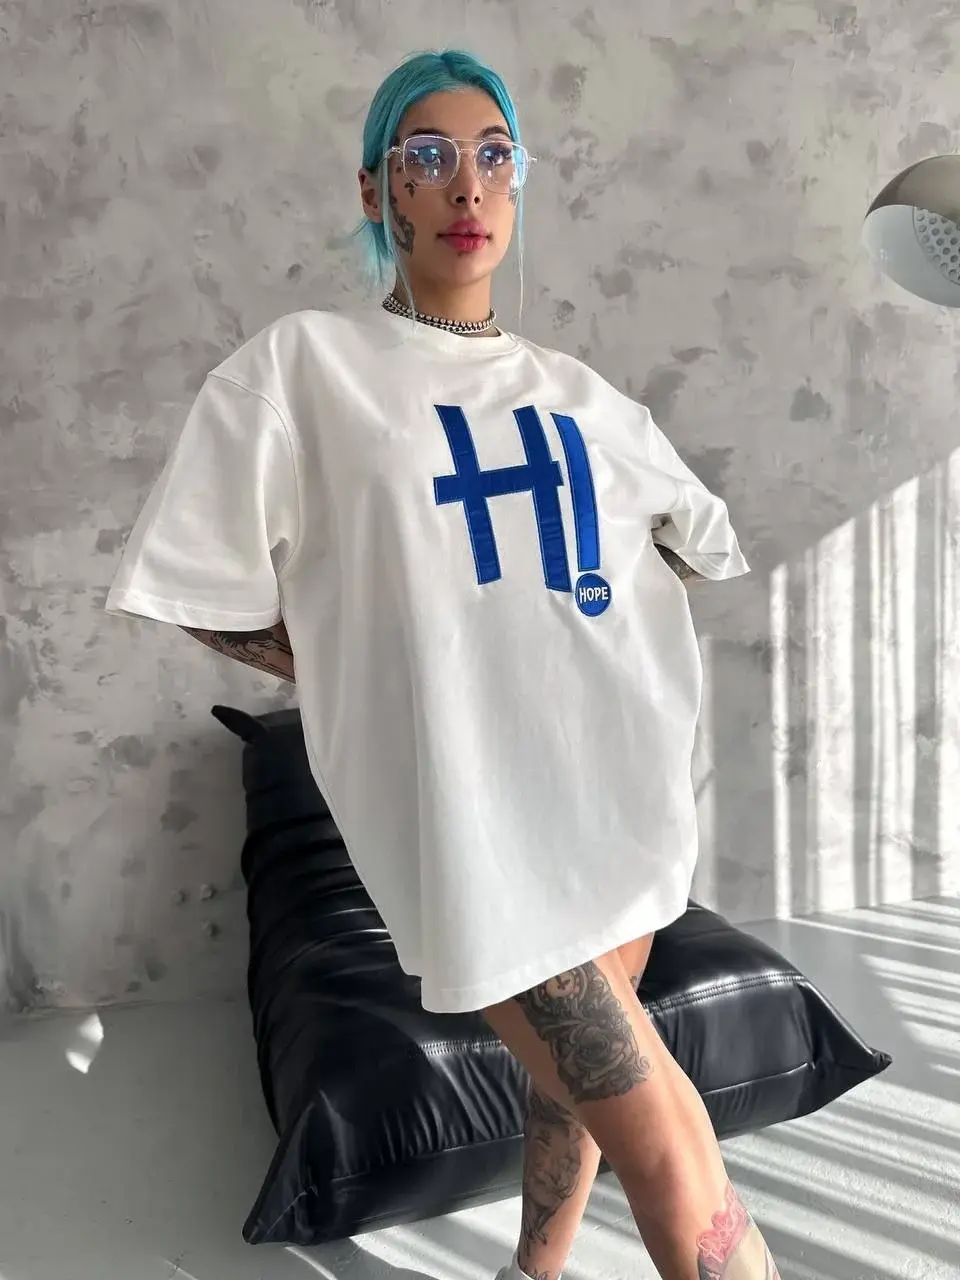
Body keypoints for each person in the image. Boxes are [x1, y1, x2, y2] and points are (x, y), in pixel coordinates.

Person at [106, 47, 779, 1280]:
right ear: (378, 191)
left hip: (615, 812)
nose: (466, 183)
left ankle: (536, 1270)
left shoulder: (581, 397)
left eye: (493, 156)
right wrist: (369, 665)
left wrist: (565, 627)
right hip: (483, 830)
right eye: (429, 155)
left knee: (573, 1089)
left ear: (517, 185)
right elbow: (194, 583)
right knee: (678, 1152)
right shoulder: (305, 369)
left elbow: (692, 546)